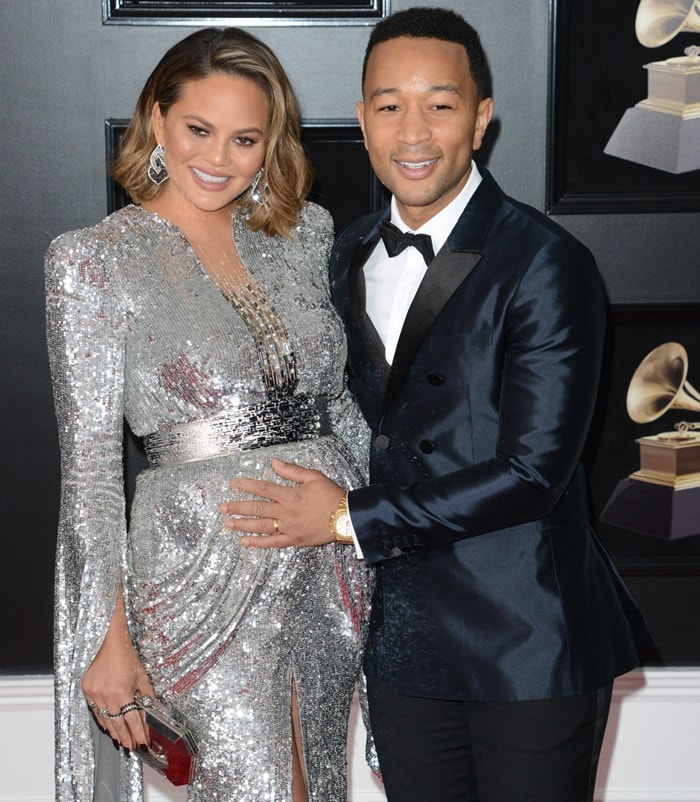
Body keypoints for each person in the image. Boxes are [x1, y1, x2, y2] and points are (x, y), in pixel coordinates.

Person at [219, 7, 651, 802]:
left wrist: (347, 518)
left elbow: (532, 473)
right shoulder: (341, 251)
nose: (412, 132)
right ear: (361, 120)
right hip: (402, 643)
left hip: (525, 638)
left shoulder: (547, 263)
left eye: (440, 105)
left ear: (481, 121)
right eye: (389, 106)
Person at [46, 27, 374, 802]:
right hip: (198, 576)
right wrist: (107, 640)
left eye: (245, 139)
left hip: (329, 572)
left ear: (271, 145)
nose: (219, 158)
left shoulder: (304, 236)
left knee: (314, 786)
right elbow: (91, 476)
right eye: (199, 129)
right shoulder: (93, 261)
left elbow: (342, 409)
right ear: (157, 121)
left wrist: (377, 522)